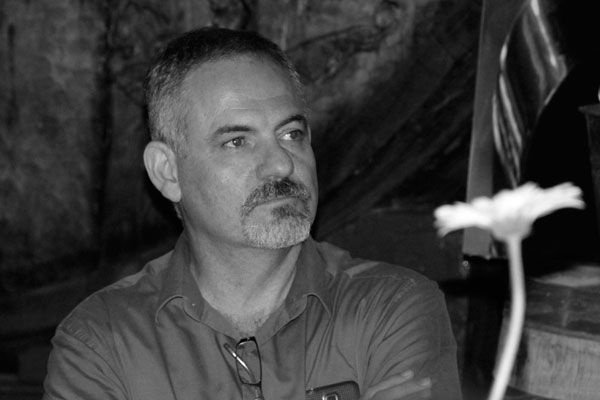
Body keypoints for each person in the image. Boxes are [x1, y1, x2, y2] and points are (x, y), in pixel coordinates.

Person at [43, 27, 462, 400]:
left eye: (291, 134)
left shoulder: (391, 308)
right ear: (167, 172)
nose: (281, 163)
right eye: (237, 142)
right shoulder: (102, 341)